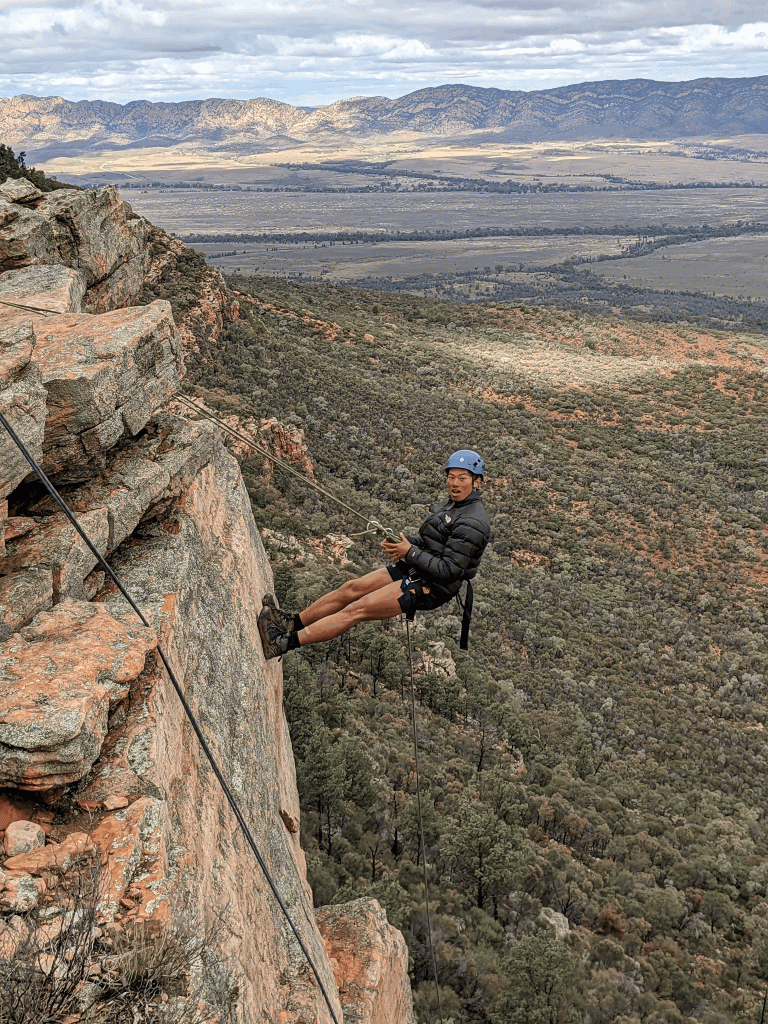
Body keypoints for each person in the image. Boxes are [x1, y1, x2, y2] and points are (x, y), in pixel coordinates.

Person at [258, 449, 490, 660]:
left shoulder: (473, 522)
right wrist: (406, 542)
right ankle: (291, 623)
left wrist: (409, 551)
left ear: (476, 482)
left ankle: (282, 643)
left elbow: (449, 570)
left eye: (462, 478)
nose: (454, 483)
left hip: (432, 586)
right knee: (351, 588)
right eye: (451, 477)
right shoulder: (454, 505)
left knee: (356, 610)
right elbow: (434, 542)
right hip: (418, 567)